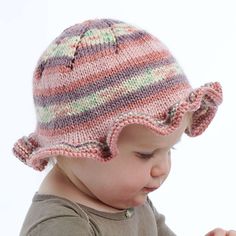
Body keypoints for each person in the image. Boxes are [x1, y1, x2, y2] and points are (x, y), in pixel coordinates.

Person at [12, 18, 234, 236]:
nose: (163, 168)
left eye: (170, 149)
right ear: (79, 149)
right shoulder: (59, 226)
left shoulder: (123, 197)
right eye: (145, 154)